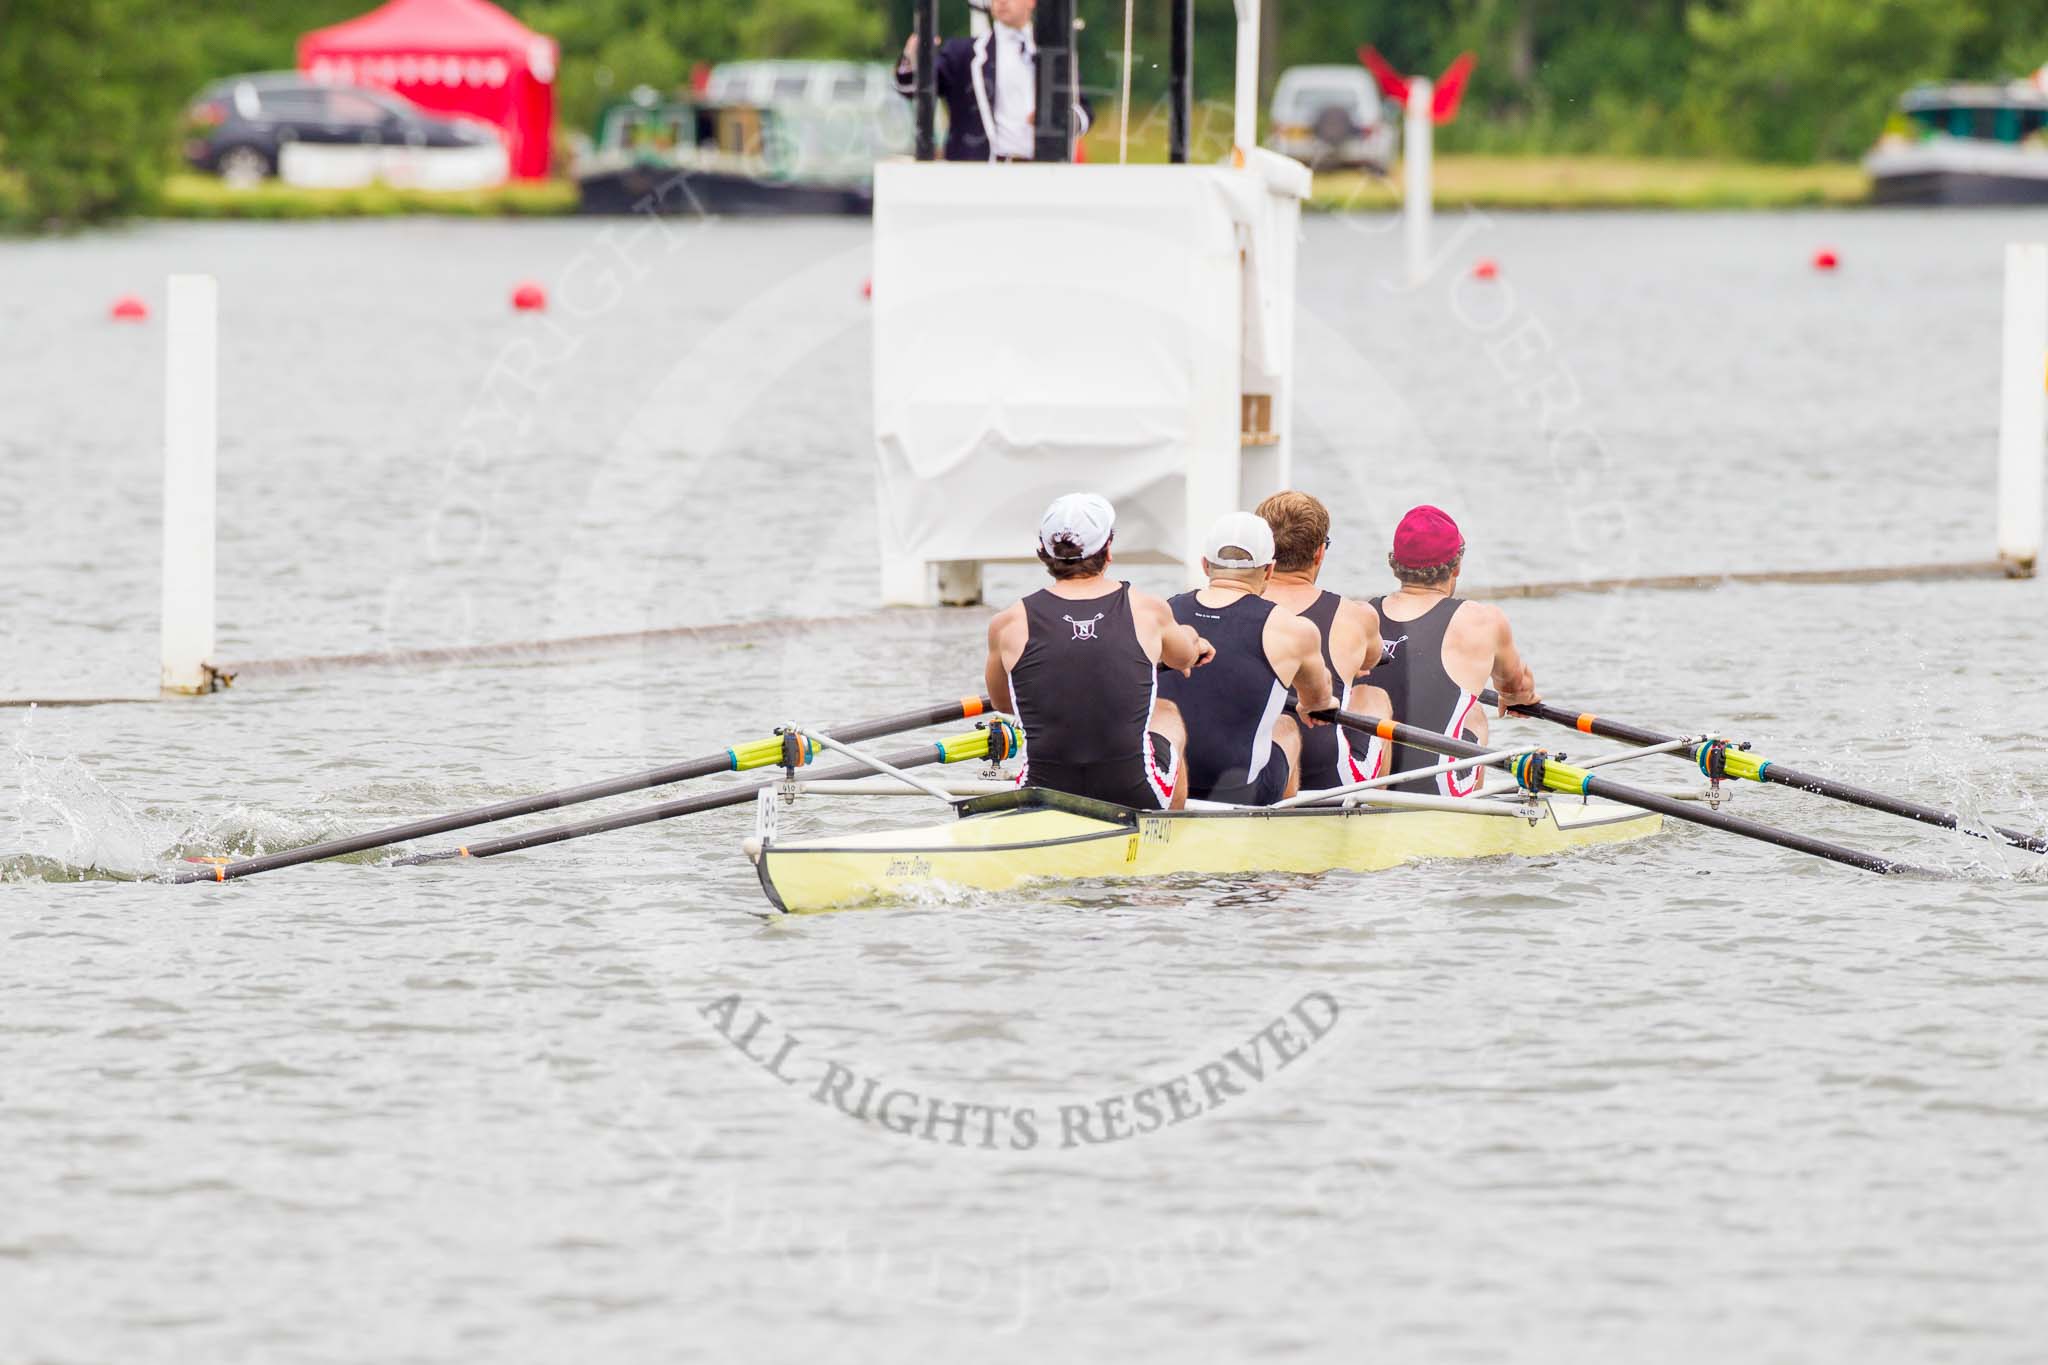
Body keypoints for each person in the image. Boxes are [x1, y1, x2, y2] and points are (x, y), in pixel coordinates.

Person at [985, 493, 1211, 810]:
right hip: (1132, 792)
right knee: (1168, 713)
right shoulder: (1148, 609)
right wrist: (1194, 640)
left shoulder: (1006, 623)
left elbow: (1004, 703)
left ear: (1044, 553)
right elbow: (1183, 657)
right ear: (1108, 550)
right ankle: (1170, 836)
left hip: (1041, 795)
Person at [1156, 512, 1336, 805]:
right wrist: (1317, 704)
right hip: (1237, 794)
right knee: (1287, 727)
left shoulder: (1166, 612)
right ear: (1269, 570)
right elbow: (1317, 701)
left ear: (1205, 565)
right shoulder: (1294, 629)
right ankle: (1276, 827)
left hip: (1168, 782)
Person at [1367, 505, 1540, 797]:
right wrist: (1522, 696)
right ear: (1456, 566)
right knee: (1472, 712)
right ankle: (1471, 811)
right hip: (1435, 789)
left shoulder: (1362, 615)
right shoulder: (1483, 619)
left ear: (1394, 564)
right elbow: (1514, 690)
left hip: (1365, 781)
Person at [1255, 490, 1386, 792]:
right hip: (1324, 775)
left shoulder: (1233, 607)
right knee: (1373, 696)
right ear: (1319, 553)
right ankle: (1376, 814)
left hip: (1245, 766)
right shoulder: (1356, 616)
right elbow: (1372, 659)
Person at [893, 0, 1093, 163]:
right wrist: (913, 61)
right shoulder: (964, 54)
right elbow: (913, 90)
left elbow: (1083, 112)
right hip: (982, 177)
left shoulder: (1055, 54)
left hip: (1039, 173)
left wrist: (1057, 118)